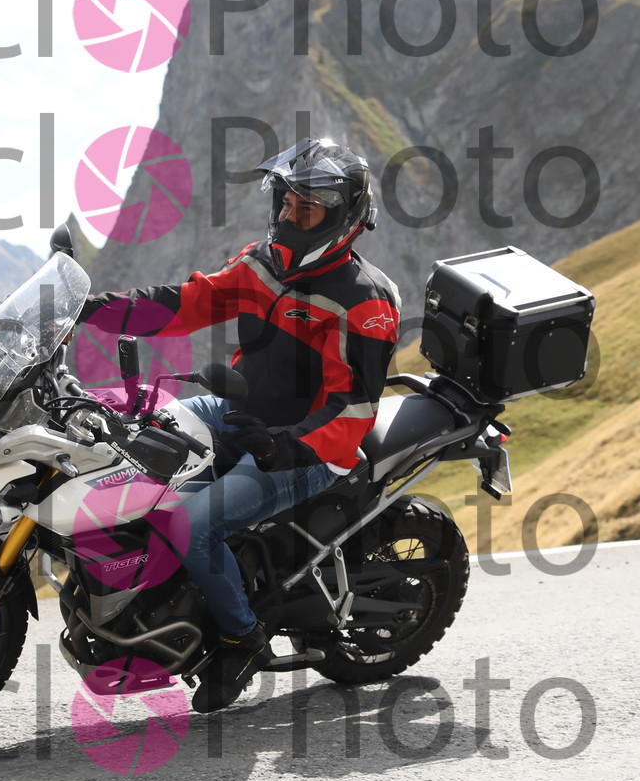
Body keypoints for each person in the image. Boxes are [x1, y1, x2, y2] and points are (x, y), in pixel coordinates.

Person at [78, 137, 401, 712]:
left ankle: (241, 638)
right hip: (238, 414)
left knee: (190, 526)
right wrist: (97, 309)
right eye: (286, 202)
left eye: (307, 209)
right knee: (134, 440)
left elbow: (352, 408)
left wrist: (283, 447)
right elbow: (189, 303)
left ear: (342, 217)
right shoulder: (263, 263)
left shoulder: (363, 302)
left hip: (307, 450)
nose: (290, 217)